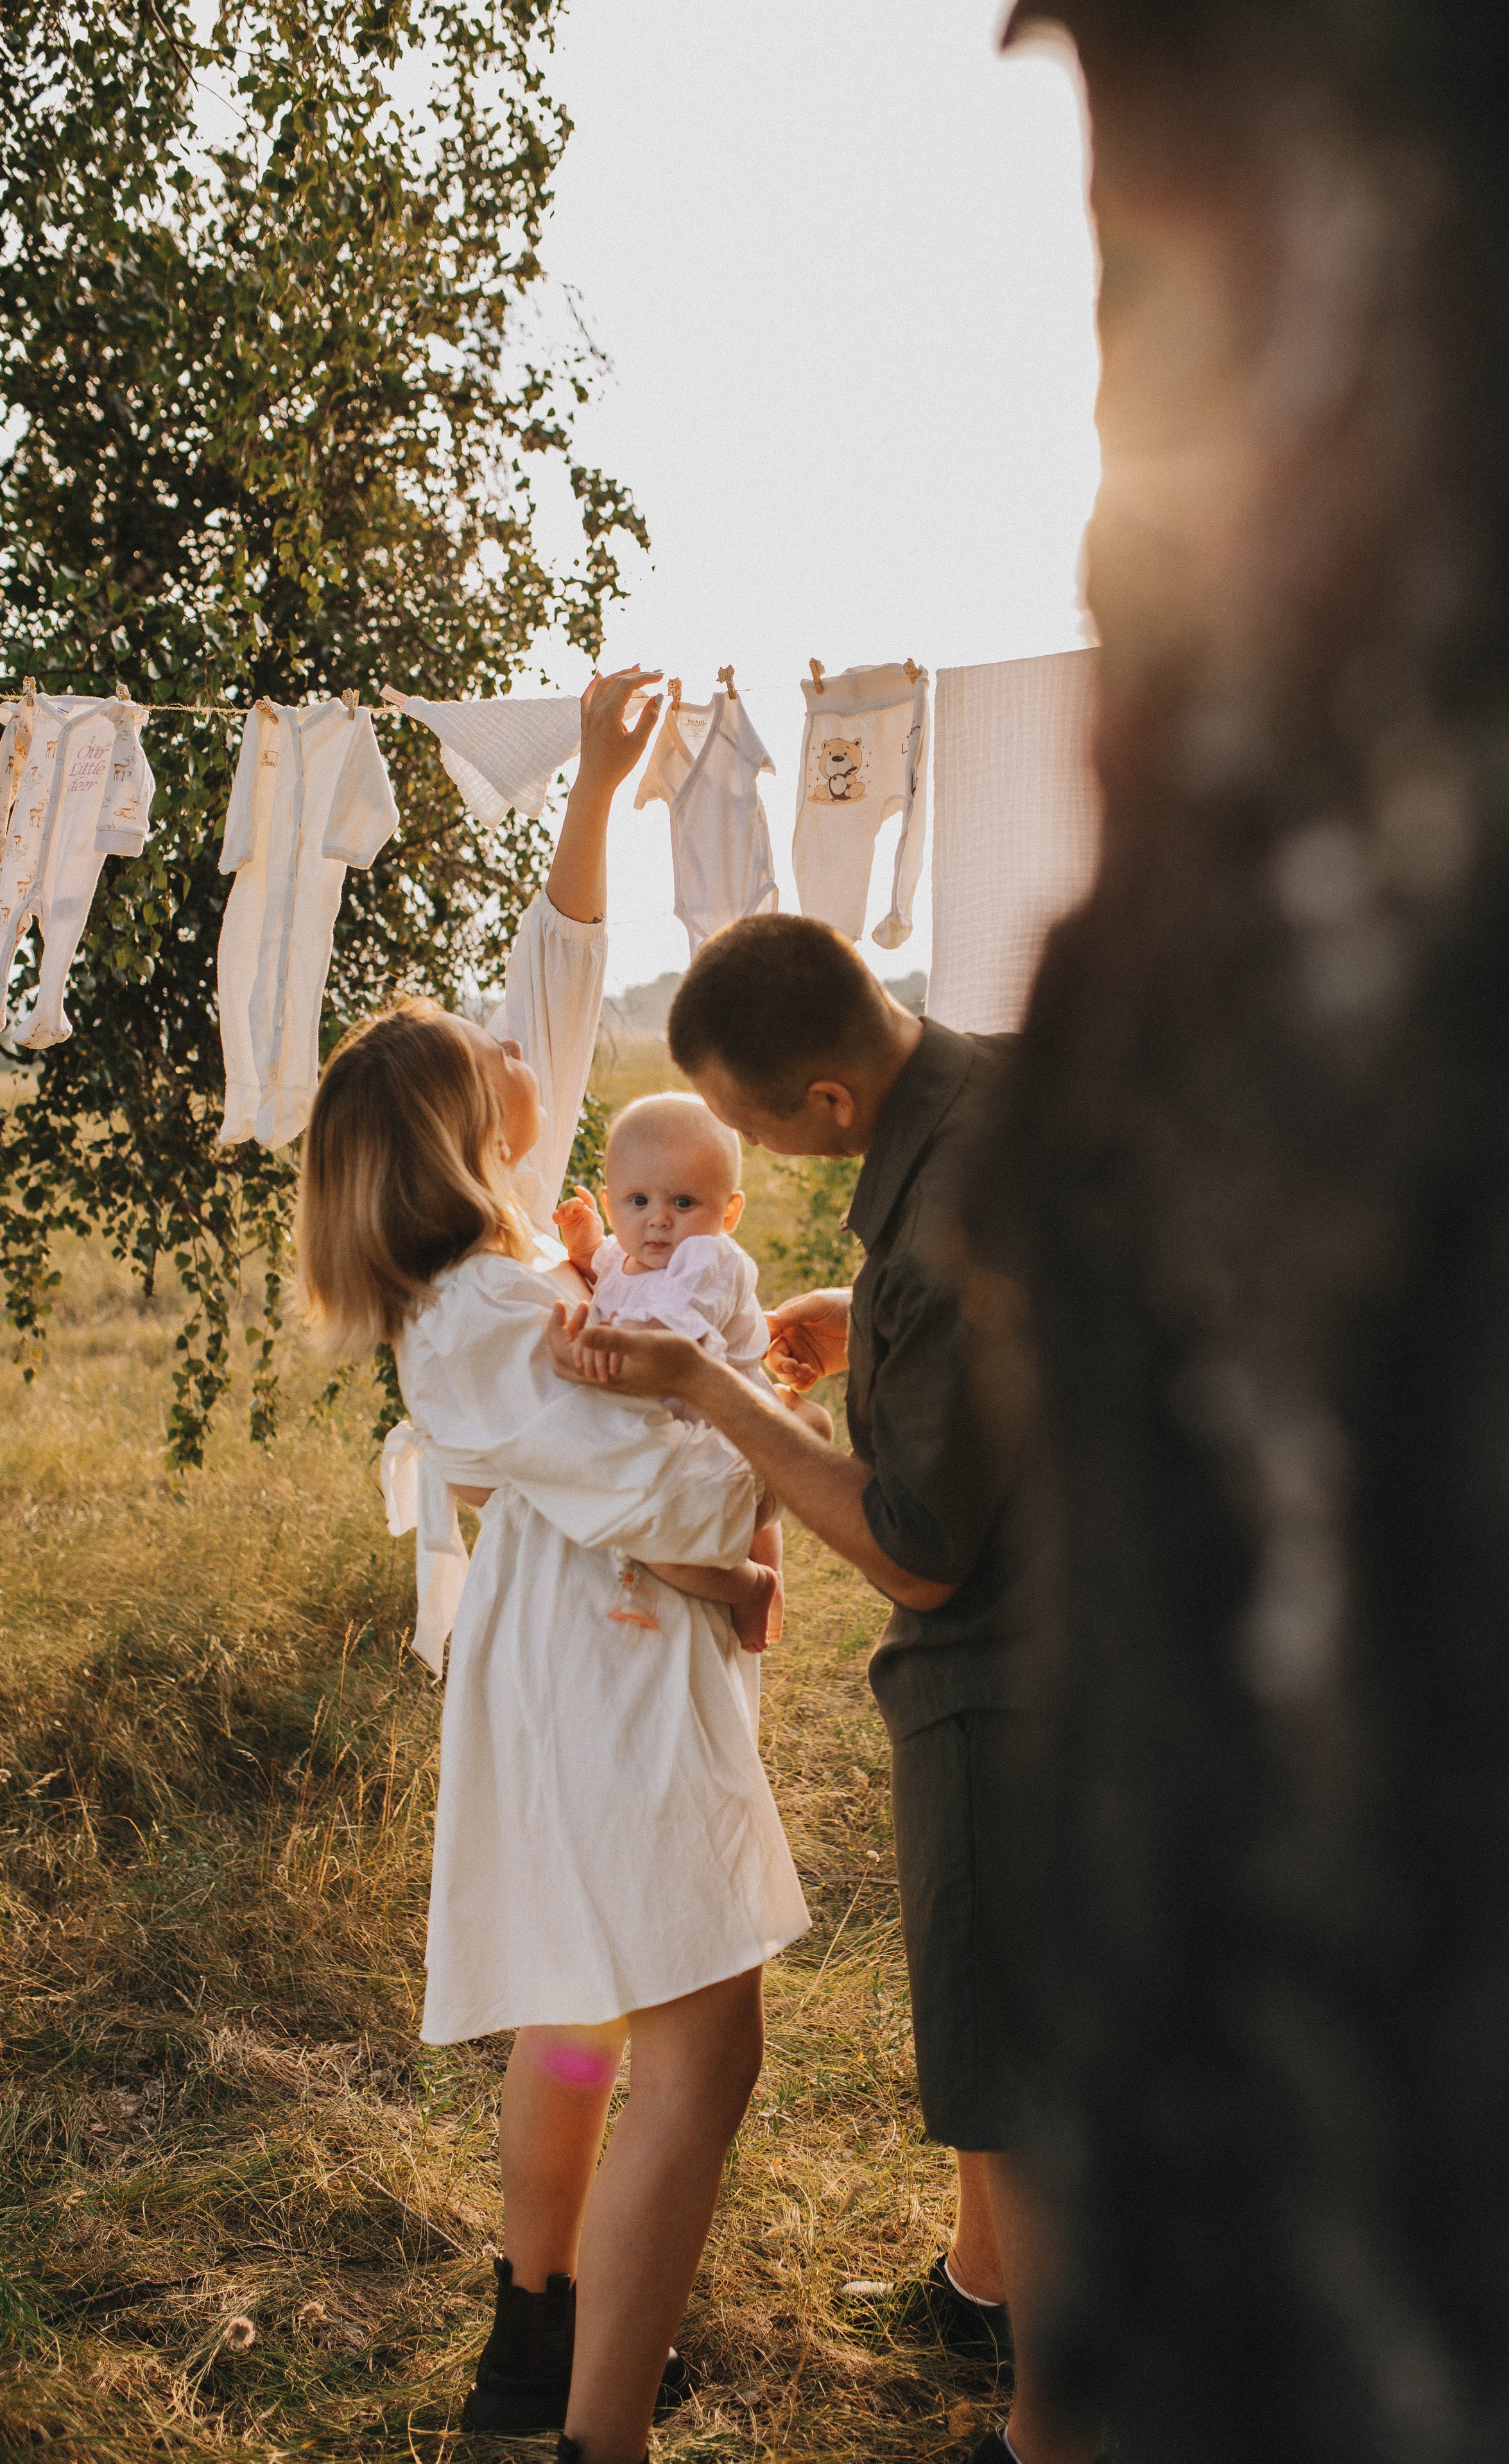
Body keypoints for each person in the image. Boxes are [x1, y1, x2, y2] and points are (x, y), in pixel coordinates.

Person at [296, 675, 811, 2464]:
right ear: (465, 1136)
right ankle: (597, 2427)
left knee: (582, 2007)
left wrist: (593, 787)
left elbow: (559, 981)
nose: (528, 1064)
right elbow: (665, 1503)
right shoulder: (500, 1314)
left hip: (560, 1653)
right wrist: (771, 1391)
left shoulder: (498, 1263)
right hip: (599, 1664)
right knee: (696, 2040)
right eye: (489, 1069)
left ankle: (538, 2334)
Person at [551, 911, 1095, 2464]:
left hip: (1004, 1663)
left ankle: (1052, 2431)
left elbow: (918, 1551)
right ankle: (980, 2287)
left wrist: (712, 1391)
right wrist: (871, 1339)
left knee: (1012, 2053)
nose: (736, 1145)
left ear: (827, 1104)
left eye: (744, 1118)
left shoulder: (930, 1219)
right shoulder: (1004, 1084)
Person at [553, 1092, 831, 1652]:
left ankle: (751, 1587)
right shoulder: (626, 1252)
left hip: (734, 1432)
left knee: (662, 1543)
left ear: (728, 1213)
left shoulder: (710, 1260)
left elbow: (666, 1338)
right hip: (688, 1429)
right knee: (722, 1520)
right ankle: (787, 1466)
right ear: (611, 1206)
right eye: (638, 1201)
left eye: (683, 1201)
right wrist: (584, 1244)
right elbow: (602, 1267)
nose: (658, 1219)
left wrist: (589, 1351)